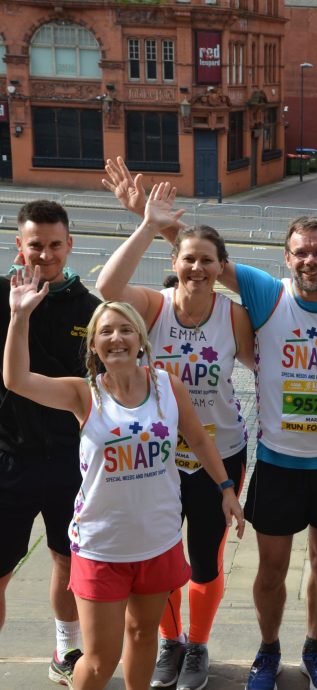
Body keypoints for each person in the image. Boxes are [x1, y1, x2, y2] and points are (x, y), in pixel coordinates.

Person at [103, 157, 317, 690]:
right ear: (285, 258)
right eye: (301, 252)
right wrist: (150, 221)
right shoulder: (265, 294)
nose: (310, 259)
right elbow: (200, 258)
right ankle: (263, 652)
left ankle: (313, 648)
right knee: (258, 567)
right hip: (270, 460)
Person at [3, 272, 245, 690]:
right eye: (106, 331)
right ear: (94, 345)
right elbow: (17, 380)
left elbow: (201, 438)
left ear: (141, 341)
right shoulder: (84, 394)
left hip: (157, 541)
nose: (117, 338)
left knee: (142, 636)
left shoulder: (167, 386)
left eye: (126, 329)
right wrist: (19, 317)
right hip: (102, 547)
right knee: (99, 661)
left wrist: (226, 489)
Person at [95, 179, 255, 690]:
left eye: (208, 260)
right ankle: (170, 640)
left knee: (205, 557)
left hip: (219, 453)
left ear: (220, 268)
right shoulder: (153, 307)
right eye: (189, 259)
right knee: (159, 556)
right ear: (176, 262)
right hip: (156, 457)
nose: (197, 268)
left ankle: (198, 644)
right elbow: (106, 288)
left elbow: (265, 366)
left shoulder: (235, 316)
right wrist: (150, 224)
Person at [0, 200, 100, 686]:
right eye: (34, 245)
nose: (44, 255)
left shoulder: (90, 310)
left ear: (69, 247)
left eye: (54, 245)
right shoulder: (2, 297)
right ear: (19, 245)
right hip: (8, 458)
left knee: (67, 558)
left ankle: (65, 647)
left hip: (69, 461)